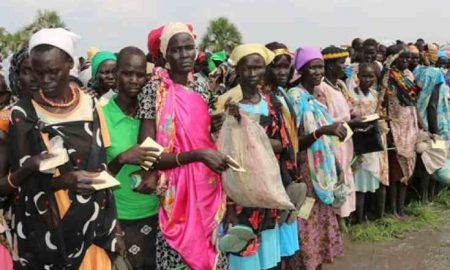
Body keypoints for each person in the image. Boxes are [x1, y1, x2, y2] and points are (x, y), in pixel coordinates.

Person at [7, 28, 126, 269]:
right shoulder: (22, 114)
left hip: (92, 224)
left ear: (70, 64)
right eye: (38, 73)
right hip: (47, 227)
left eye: (53, 72)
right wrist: (64, 182)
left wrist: (115, 227)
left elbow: (100, 168)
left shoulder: (90, 103)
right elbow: (24, 182)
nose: (45, 80)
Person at [136, 22, 228, 270]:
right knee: (178, 255)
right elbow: (148, 156)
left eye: (189, 48)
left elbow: (201, 133)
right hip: (175, 193)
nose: (184, 55)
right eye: (176, 50)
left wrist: (221, 122)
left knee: (212, 253)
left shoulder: (201, 85)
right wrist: (197, 155)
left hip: (206, 185)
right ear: (165, 55)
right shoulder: (154, 90)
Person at [286, 47, 344, 270]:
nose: (318, 71)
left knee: (318, 222)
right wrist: (323, 131)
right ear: (301, 69)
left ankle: (316, 263)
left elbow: (327, 142)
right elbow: (294, 142)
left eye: (320, 66)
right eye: (313, 67)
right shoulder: (295, 97)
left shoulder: (315, 98)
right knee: (305, 221)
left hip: (321, 172)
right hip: (305, 172)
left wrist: (336, 164)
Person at [103, 47, 160, 270]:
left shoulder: (156, 113)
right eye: (127, 73)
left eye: (140, 74)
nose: (134, 80)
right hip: (118, 218)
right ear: (116, 74)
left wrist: (155, 172)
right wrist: (121, 159)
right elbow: (95, 176)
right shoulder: (100, 115)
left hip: (157, 215)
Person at [265, 41, 306, 267]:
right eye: (276, 66)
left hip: (289, 171)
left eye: (286, 66)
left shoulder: (281, 93)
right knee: (275, 243)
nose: (282, 71)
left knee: (287, 240)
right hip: (274, 177)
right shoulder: (263, 98)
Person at [318, 46, 357, 220]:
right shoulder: (322, 89)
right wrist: (352, 123)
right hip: (332, 144)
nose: (345, 67)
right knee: (336, 181)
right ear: (331, 66)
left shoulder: (338, 86)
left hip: (344, 141)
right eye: (342, 63)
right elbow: (325, 121)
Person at [350, 62, 389, 223]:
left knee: (376, 179)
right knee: (360, 183)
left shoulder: (376, 95)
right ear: (358, 77)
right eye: (364, 76)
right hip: (360, 142)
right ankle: (359, 220)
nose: (367, 79)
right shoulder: (351, 95)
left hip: (376, 142)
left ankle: (377, 216)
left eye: (371, 76)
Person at [385, 44, 419, 217]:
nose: (406, 61)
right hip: (394, 127)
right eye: (402, 57)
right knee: (396, 172)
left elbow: (413, 103)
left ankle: (401, 207)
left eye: (408, 57)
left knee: (407, 169)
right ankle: (392, 209)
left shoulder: (408, 76)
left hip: (409, 127)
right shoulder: (387, 77)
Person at [414, 66, 450, 203]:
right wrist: (436, 133)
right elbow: (433, 107)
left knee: (426, 161)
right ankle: (426, 196)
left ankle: (428, 194)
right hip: (435, 129)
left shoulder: (418, 76)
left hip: (419, 125)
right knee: (434, 160)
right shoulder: (436, 78)